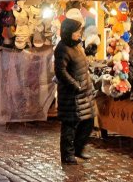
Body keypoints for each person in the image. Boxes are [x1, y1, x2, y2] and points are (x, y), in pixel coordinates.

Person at [54, 17, 96, 165]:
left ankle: (78, 148)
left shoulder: (77, 46)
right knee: (69, 125)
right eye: (77, 31)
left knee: (89, 121)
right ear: (69, 32)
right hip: (71, 94)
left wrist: (89, 52)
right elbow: (60, 71)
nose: (79, 33)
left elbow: (81, 64)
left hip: (84, 92)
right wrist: (75, 85)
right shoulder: (62, 48)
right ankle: (67, 154)